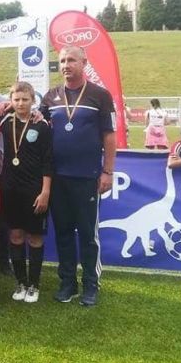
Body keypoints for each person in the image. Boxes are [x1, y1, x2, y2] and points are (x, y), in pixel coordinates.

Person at [40, 46, 116, 307]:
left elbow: (109, 136)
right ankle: (68, 282)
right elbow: (30, 118)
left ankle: (91, 285)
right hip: (58, 177)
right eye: (62, 60)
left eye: (71, 60)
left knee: (86, 233)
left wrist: (107, 171)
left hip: (87, 177)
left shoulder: (100, 96)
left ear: (84, 62)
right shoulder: (50, 97)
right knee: (62, 232)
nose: (65, 65)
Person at [0, 82, 53, 303]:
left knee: (35, 236)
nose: (21, 103)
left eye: (25, 99)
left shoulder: (42, 125)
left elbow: (48, 161)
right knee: (15, 235)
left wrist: (46, 192)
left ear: (33, 100)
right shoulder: (4, 122)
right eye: (17, 99)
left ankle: (34, 285)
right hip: (10, 189)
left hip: (35, 190)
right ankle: (21, 282)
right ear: (11, 101)